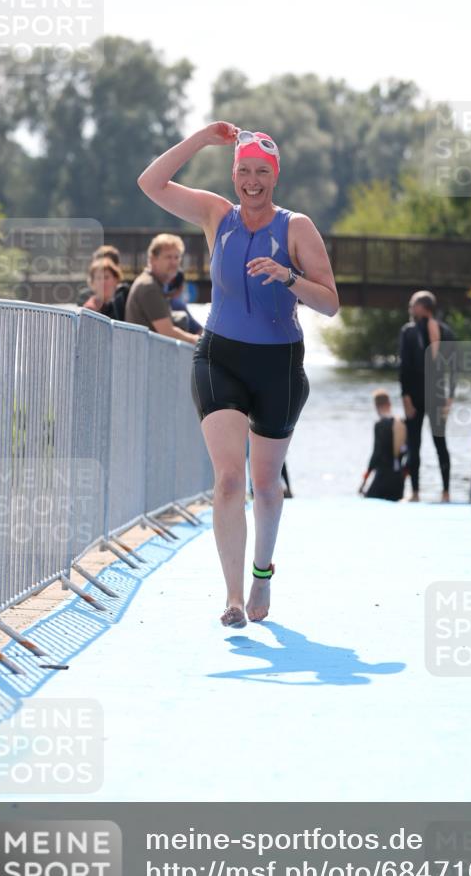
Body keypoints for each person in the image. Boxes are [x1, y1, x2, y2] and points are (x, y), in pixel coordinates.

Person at [137, 122, 339, 627]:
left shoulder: (297, 228)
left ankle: (262, 573)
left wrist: (288, 276)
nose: (252, 181)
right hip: (219, 356)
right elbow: (151, 183)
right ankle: (231, 598)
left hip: (278, 364)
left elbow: (331, 304)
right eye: (244, 171)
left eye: (261, 173)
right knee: (229, 479)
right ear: (233, 174)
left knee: (265, 484)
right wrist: (201, 140)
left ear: (275, 176)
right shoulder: (215, 214)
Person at [398, 290, 456, 502]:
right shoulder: (409, 331)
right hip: (415, 397)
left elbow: (453, 368)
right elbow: (404, 367)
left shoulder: (444, 332)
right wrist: (405, 398)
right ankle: (415, 492)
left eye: (413, 304)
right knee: (414, 444)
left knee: (439, 443)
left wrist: (449, 398)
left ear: (423, 307)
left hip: (436, 397)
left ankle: (446, 492)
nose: (410, 308)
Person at [124, 234, 199, 343]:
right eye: (168, 257)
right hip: (146, 357)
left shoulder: (151, 283)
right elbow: (167, 332)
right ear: (152, 259)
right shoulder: (149, 287)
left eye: (177, 257)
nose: (174, 262)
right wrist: (199, 343)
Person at [359, 390, 408, 501]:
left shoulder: (380, 425)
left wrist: (364, 482)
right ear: (389, 403)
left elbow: (376, 455)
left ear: (376, 406)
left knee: (367, 500)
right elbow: (408, 453)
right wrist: (404, 476)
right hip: (398, 481)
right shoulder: (402, 423)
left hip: (382, 479)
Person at [78, 245, 131, 320]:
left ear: (116, 278)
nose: (103, 282)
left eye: (106, 277)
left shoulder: (125, 295)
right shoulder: (87, 302)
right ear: (92, 282)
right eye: (98, 278)